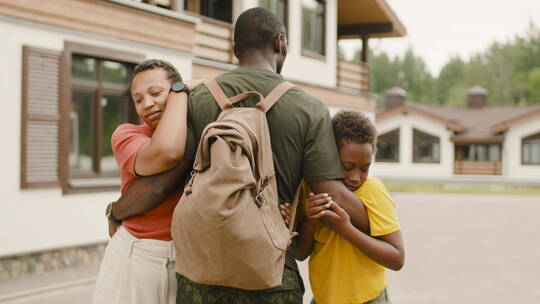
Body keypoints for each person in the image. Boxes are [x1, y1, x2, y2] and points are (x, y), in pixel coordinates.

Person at [107, 7, 371, 304]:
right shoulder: (309, 108)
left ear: (235, 50)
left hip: (201, 275)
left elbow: (164, 183)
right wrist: (383, 224)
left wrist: (117, 211)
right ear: (280, 42)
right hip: (271, 275)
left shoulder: (199, 99)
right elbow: (331, 193)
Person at [93, 59, 202, 304]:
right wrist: (182, 90)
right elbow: (166, 153)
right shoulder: (127, 134)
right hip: (137, 256)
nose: (147, 104)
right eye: (138, 99)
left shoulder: (201, 126)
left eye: (155, 93)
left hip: (187, 262)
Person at [294, 111, 405, 304]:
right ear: (329, 156)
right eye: (348, 166)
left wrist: (345, 229)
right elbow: (300, 254)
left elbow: (396, 258)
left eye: (365, 168)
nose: (356, 177)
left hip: (368, 299)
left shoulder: (374, 191)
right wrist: (309, 221)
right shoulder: (310, 189)